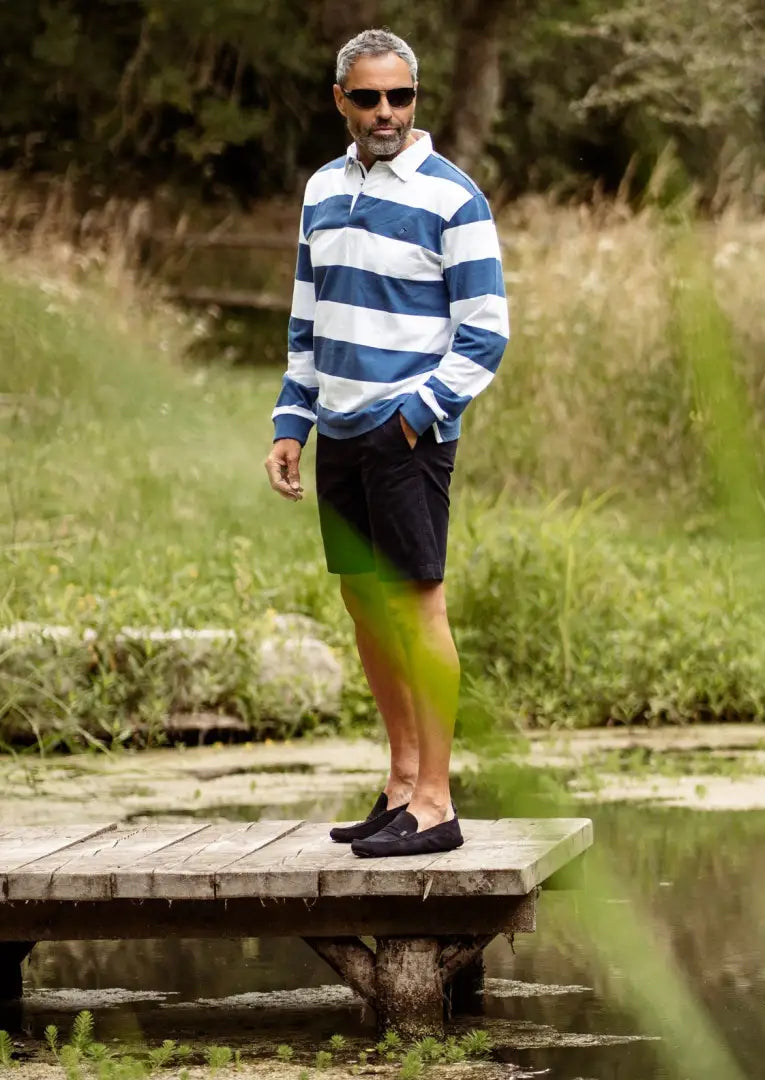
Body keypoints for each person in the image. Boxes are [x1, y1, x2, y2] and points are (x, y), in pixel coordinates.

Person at [263, 28, 509, 858]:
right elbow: (309, 317)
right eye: (367, 97)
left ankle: (437, 805)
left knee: (416, 604)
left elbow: (485, 334)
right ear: (342, 100)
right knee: (366, 605)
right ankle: (401, 786)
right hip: (337, 430)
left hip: (408, 434)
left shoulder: (453, 197)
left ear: (415, 98)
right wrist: (294, 419)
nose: (385, 113)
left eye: (399, 96)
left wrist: (418, 412)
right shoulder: (322, 189)